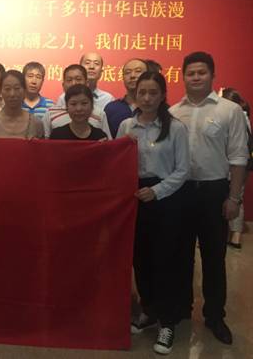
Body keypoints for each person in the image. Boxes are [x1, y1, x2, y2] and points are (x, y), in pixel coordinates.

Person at [170, 52, 248, 345]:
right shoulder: (173, 112)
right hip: (180, 192)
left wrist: (234, 198)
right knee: (181, 254)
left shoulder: (230, 110)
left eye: (201, 72)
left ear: (212, 75)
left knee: (214, 257)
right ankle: (181, 308)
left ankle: (215, 315)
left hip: (214, 192)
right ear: (183, 76)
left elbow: (239, 157)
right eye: (190, 73)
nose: (196, 77)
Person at [117, 71, 189, 355]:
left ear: (163, 96)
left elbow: (182, 170)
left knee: (165, 262)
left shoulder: (176, 128)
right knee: (140, 259)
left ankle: (168, 322)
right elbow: (115, 160)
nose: (146, 98)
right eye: (142, 93)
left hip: (165, 201)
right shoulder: (126, 125)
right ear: (135, 95)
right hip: (134, 198)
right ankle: (149, 311)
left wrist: (157, 191)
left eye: (153, 93)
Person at [220, 87, 251, 249]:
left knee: (230, 199)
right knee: (237, 198)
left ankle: (229, 235)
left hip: (232, 166)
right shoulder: (244, 117)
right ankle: (235, 236)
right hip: (243, 166)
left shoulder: (234, 117)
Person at [43, 65, 111, 138]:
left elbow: (106, 141)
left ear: (87, 83)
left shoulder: (99, 114)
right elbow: (45, 142)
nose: (74, 83)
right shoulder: (50, 114)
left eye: (78, 79)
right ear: (63, 85)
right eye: (69, 80)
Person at [0, 70, 44, 139]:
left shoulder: (36, 123)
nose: (12, 94)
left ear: (24, 90)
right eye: (7, 89)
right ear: (0, 91)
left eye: (17, 88)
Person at [104, 58, 148, 138]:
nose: (132, 76)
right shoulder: (111, 108)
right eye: (127, 72)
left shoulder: (155, 108)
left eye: (138, 71)